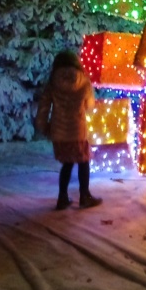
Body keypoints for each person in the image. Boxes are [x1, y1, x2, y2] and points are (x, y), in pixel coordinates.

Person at [35, 49, 102, 210]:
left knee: (67, 163)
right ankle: (84, 196)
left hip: (59, 132)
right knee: (83, 161)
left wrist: (43, 126)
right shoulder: (83, 81)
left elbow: (43, 107)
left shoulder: (52, 82)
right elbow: (89, 105)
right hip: (77, 130)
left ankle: (62, 197)